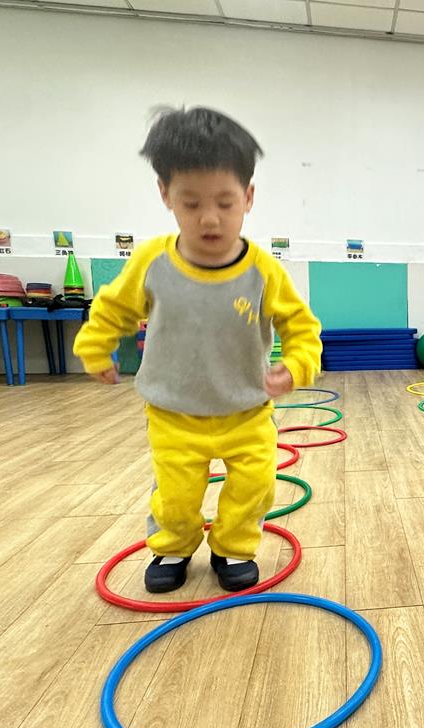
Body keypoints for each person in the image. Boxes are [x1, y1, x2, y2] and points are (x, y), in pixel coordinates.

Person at [74, 107, 321, 593]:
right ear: (165, 195)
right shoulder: (152, 260)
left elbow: (301, 325)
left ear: (248, 197)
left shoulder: (263, 270)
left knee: (255, 485)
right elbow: (113, 307)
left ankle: (233, 548)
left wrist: (296, 365)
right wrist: (96, 348)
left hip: (246, 409)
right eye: (191, 203)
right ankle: (172, 547)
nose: (210, 218)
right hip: (174, 412)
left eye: (225, 203)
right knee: (176, 492)